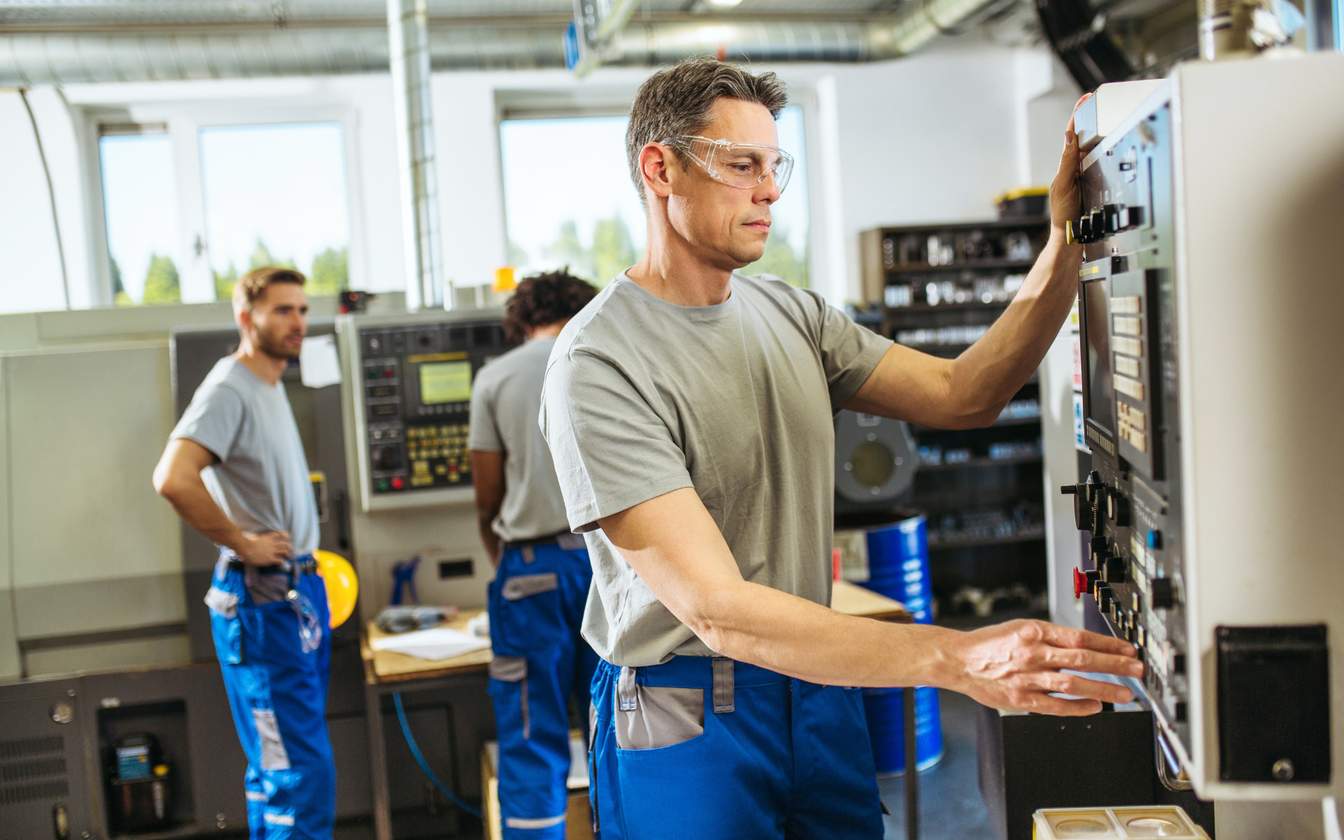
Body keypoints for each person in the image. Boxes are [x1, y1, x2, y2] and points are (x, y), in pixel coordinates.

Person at [538, 58, 1141, 839]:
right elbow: (716, 611)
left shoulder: (790, 312)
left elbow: (965, 393)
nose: (770, 190)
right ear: (660, 168)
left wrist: (1065, 241)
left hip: (817, 687)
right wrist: (954, 659)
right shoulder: (599, 363)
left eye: (775, 165)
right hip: (688, 710)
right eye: (741, 165)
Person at [153, 267, 333, 839]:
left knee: (279, 768)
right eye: (282, 310)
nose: (297, 322)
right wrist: (242, 542)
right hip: (263, 600)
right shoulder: (230, 385)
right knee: (298, 776)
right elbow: (174, 477)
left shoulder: (270, 384)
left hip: (295, 591)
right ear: (245, 316)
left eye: (302, 310)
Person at [469, 270, 601, 839]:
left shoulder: (496, 377)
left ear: (521, 321)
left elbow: (487, 495)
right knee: (619, 726)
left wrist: (508, 562)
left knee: (531, 732)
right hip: (610, 568)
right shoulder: (606, 360)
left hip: (531, 572)